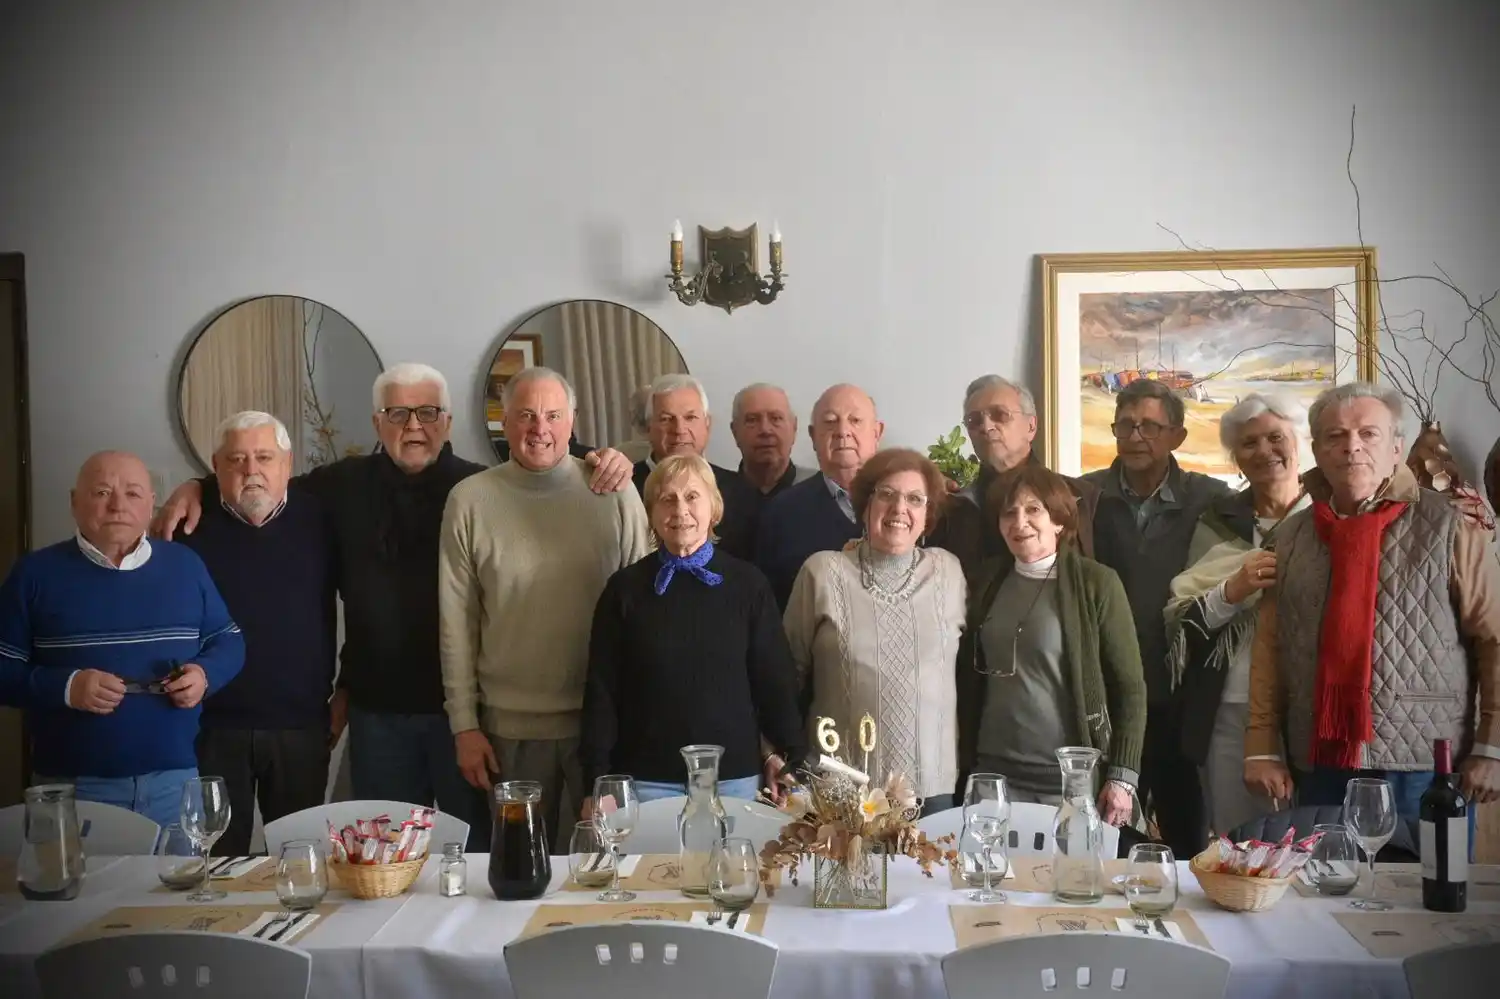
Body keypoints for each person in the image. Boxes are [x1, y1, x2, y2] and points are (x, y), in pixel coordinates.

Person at [152, 362, 634, 849]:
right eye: (398, 414)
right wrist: (196, 487)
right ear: (376, 422)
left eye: (428, 412)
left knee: (475, 851)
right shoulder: (339, 486)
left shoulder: (479, 488)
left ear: (448, 421)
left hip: (467, 715)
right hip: (378, 712)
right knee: (384, 859)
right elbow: (261, 478)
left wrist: (603, 457)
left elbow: (547, 460)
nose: (413, 426)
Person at [1244, 382, 1500, 818]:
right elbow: (1270, 648)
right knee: (1323, 866)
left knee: (1430, 867)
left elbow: (1493, 638)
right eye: (1336, 436)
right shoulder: (1291, 537)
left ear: (1396, 447)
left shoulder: (1450, 527)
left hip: (1426, 766)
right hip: (1319, 761)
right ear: (1317, 450)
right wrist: (1262, 746)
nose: (1352, 447)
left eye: (1368, 433)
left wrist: (1492, 746)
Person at [439, 366, 652, 848]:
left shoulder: (614, 491)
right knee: (520, 867)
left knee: (602, 869)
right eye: (526, 415)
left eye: (553, 415)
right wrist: (464, 726)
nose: (540, 428)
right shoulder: (469, 501)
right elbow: (456, 622)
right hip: (507, 734)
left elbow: (642, 617)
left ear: (573, 420)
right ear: (505, 421)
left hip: (602, 729)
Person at [0, 451, 244, 828]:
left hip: (175, 786)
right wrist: (67, 687)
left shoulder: (186, 565)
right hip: (72, 790)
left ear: (151, 504)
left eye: (132, 493)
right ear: (74, 502)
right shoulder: (34, 574)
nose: (117, 505)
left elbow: (229, 641)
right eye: (102, 493)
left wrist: (204, 675)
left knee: (185, 871)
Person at [580, 454, 805, 807]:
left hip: (734, 778)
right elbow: (602, 692)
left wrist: (787, 755)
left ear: (714, 508)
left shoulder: (749, 585)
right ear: (651, 513)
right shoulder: (624, 590)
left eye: (692, 497)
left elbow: (775, 680)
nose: (680, 510)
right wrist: (597, 780)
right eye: (667, 499)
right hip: (647, 778)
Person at [176, 412, 339, 856]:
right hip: (210, 727)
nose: (251, 470)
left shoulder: (323, 520)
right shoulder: (185, 527)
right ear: (216, 467)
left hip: (300, 725)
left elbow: (363, 606)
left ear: (287, 464)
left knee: (299, 862)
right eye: (236, 459)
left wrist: (347, 687)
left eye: (264, 457)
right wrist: (192, 488)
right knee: (216, 861)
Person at [1083, 378, 1231, 857]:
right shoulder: (1086, 497)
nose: (1135, 436)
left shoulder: (1209, 498)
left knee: (1188, 840)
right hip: (1110, 697)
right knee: (1107, 838)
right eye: (1125, 425)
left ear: (1177, 436)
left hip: (1179, 694)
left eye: (1149, 426)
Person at [957, 463, 1145, 825]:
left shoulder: (1097, 584)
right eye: (1008, 513)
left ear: (1059, 520)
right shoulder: (986, 582)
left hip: (1070, 779)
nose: (1019, 522)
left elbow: (1131, 689)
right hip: (993, 777)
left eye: (1033, 509)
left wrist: (1123, 777)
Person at [784, 448, 966, 814]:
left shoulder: (949, 571)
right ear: (865, 505)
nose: (900, 508)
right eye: (886, 494)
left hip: (932, 789)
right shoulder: (823, 572)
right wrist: (781, 755)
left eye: (915, 499)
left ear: (928, 514)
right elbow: (786, 675)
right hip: (841, 788)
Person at [1164, 394, 1310, 837]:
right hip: (1230, 706)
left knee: (1313, 840)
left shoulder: (1328, 517)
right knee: (1241, 843)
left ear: (1299, 442)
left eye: (1275, 437)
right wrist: (1232, 591)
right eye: (1249, 444)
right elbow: (1184, 621)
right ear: (1237, 461)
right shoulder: (1217, 523)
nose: (1264, 451)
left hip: (1309, 704)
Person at [934, 375, 1102, 576]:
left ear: (1031, 426)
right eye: (974, 420)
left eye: (1000, 415)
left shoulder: (1084, 499)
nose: (986, 427)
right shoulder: (954, 509)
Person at [756, 383, 885, 610]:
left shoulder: (907, 504)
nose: (843, 431)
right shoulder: (782, 512)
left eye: (855, 420)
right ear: (813, 436)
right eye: (830, 421)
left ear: (877, 432)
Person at [630, 374, 753, 557]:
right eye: (666, 419)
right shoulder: (625, 486)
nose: (679, 429)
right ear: (648, 428)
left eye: (690, 417)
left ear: (707, 424)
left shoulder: (741, 491)